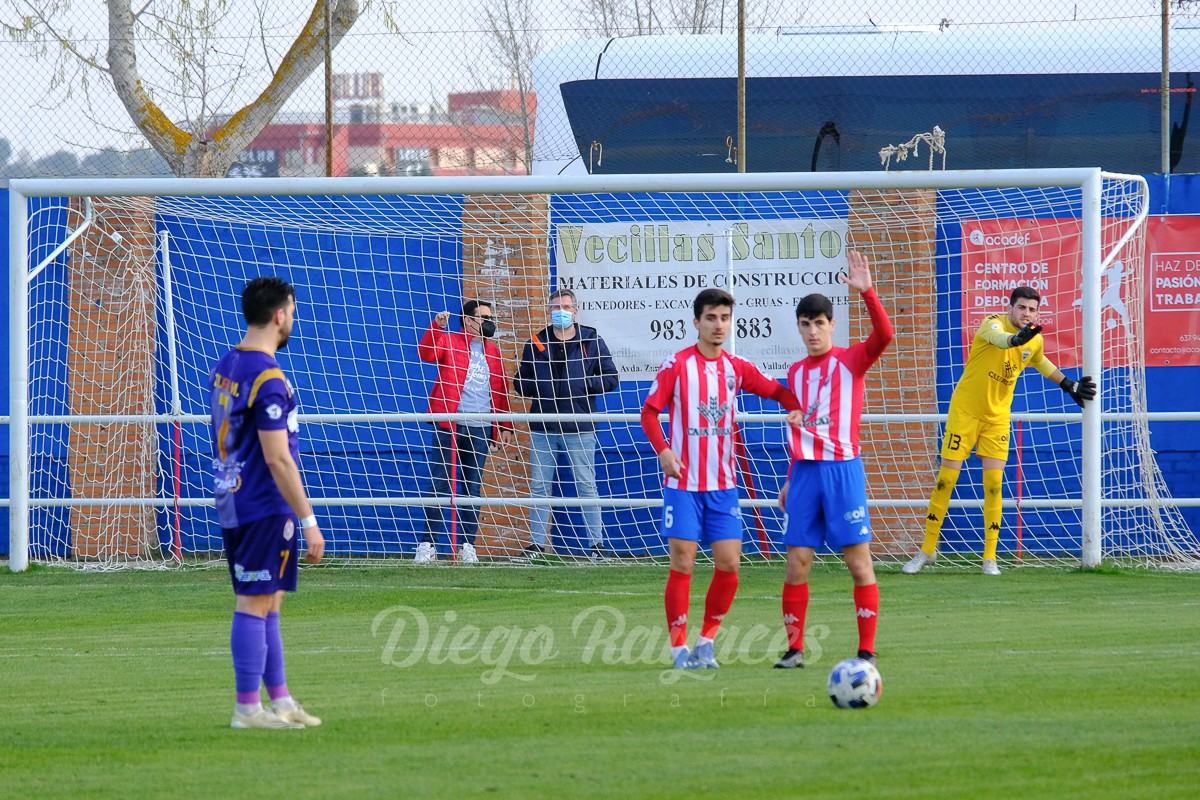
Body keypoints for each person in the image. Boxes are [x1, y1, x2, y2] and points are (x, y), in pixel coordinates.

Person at [641, 287, 802, 670]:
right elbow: (649, 414)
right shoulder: (677, 365)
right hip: (683, 485)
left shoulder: (737, 367)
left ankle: (706, 641)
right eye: (711, 318)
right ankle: (678, 649)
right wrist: (664, 450)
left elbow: (776, 390)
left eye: (725, 318)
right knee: (683, 563)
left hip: (722, 486)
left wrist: (795, 407)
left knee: (729, 564)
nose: (718, 325)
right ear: (696, 322)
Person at [903, 286, 1097, 576]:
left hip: (997, 420)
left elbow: (1039, 360)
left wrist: (1067, 384)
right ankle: (926, 551)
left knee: (994, 487)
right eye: (1021, 308)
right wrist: (1015, 339)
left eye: (1032, 310)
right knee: (946, 481)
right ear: (1011, 308)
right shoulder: (992, 323)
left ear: (1037, 313)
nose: (1026, 313)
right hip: (965, 414)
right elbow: (1000, 339)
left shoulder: (1034, 340)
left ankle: (989, 558)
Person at [210, 276, 326, 729]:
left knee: (269, 600)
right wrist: (309, 520)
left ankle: (280, 700)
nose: (292, 320)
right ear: (280, 315)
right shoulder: (267, 376)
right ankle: (246, 708)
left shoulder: (228, 363)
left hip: (235, 497)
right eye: (293, 312)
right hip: (263, 502)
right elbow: (279, 459)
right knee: (255, 602)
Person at [773, 249, 893, 670]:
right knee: (796, 562)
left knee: (858, 562)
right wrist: (790, 478)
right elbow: (801, 428)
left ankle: (866, 650)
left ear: (831, 325)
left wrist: (868, 293)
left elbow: (884, 337)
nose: (811, 332)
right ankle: (794, 649)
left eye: (818, 324)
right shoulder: (796, 373)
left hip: (843, 473)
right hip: (805, 474)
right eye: (805, 325)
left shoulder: (851, 359)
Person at [513, 289, 620, 562]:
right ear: (549, 311)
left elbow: (611, 377)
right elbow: (521, 382)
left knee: (586, 486)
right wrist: (530, 385)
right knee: (539, 486)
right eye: (555, 307)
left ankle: (596, 546)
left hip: (580, 426)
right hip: (543, 425)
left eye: (565, 306)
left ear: (575, 310)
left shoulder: (591, 339)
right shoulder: (536, 342)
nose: (560, 311)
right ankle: (536, 546)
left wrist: (585, 384)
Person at [416, 300, 515, 563]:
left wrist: (504, 425)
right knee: (440, 484)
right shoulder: (449, 341)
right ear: (469, 320)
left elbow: (500, 390)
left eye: (490, 316)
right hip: (450, 424)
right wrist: (436, 327)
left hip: (480, 428)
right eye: (483, 317)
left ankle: (467, 545)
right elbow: (426, 353)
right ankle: (428, 544)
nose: (489, 321)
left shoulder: (493, 351)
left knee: (472, 488)